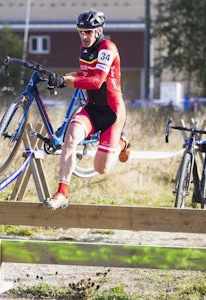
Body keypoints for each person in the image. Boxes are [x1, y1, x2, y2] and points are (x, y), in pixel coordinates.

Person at [44, 9, 130, 209]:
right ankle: (62, 193)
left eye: (88, 32)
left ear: (99, 31)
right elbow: (82, 73)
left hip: (112, 112)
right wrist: (60, 78)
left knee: (100, 168)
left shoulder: (108, 48)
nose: (84, 36)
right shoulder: (85, 50)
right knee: (70, 137)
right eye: (80, 32)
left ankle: (122, 143)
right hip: (91, 108)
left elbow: (95, 80)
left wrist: (65, 81)